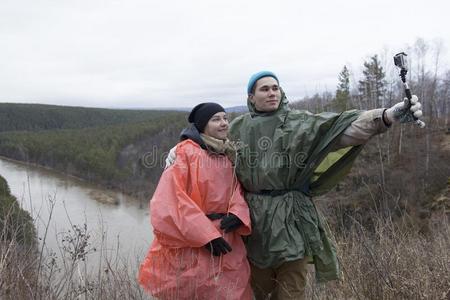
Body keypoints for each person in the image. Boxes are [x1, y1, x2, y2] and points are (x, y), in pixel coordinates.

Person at [165, 71, 423, 299]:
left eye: (275, 87)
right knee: (255, 289)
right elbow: (210, 144)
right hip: (252, 224)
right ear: (251, 97)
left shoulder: (300, 123)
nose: (271, 93)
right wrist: (179, 151)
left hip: (292, 220)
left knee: (292, 289)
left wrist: (388, 116)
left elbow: (342, 129)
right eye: (264, 89)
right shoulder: (239, 127)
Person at [138, 103, 253, 300]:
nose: (224, 123)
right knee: (192, 290)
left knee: (233, 290)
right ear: (202, 126)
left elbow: (238, 189)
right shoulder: (185, 153)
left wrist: (238, 214)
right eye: (216, 119)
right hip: (191, 243)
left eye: (225, 118)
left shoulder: (228, 153)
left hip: (227, 237)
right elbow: (170, 200)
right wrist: (205, 235)